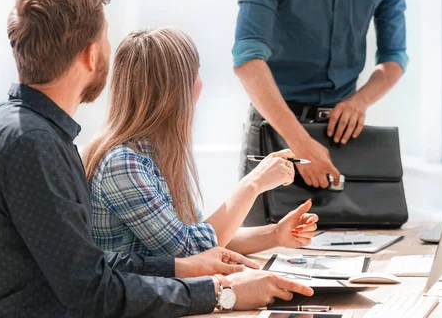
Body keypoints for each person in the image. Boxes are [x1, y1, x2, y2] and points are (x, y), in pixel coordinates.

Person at [0, 0, 313, 317]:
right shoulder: (36, 145)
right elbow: (91, 291)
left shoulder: (4, 129)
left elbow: (90, 266)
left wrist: (184, 270)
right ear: (91, 55)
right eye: (105, 39)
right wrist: (219, 292)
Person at [83, 27, 319, 258]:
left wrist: (277, 234)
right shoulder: (123, 165)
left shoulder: (154, 154)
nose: (200, 83)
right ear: (173, 90)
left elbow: (203, 236)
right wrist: (254, 183)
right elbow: (191, 251)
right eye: (195, 73)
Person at [233, 0, 408, 225]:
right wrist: (300, 146)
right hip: (275, 132)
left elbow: (394, 58)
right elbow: (248, 60)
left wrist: (360, 101)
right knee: (262, 254)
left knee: (351, 254)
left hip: (340, 137)